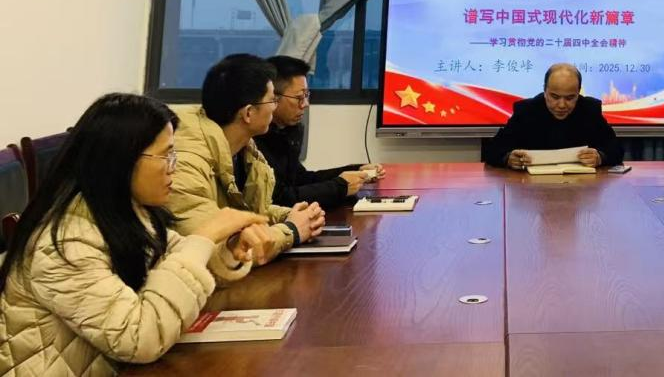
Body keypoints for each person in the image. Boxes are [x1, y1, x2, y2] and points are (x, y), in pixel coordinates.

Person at [0, 93, 269, 374]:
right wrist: (203, 238)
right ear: (121, 161)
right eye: (165, 155)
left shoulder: (124, 211)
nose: (173, 168)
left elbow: (179, 266)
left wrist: (227, 250)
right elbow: (140, 338)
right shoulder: (65, 243)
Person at [168, 54, 325, 264]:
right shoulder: (186, 163)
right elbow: (222, 248)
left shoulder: (244, 149)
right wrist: (292, 230)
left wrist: (291, 215)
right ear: (248, 113)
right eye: (273, 100)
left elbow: (247, 210)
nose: (275, 106)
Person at [255, 55, 384, 210]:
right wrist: (340, 187)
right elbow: (279, 199)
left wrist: (355, 171)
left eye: (306, 95)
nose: (306, 104)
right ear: (273, 97)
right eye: (299, 97)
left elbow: (300, 179)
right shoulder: (255, 138)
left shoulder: (286, 131)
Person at [483, 63, 624, 169]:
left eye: (570, 98)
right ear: (545, 91)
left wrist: (600, 157)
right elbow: (492, 150)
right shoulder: (526, 110)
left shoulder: (589, 110)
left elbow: (616, 149)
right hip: (533, 189)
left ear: (578, 93)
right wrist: (508, 158)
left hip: (579, 188)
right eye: (555, 97)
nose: (561, 105)